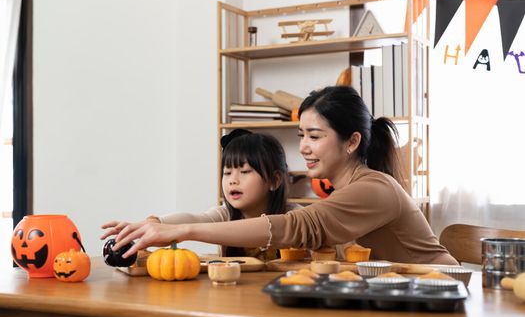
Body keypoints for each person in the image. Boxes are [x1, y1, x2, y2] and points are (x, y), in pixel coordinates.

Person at [109, 86, 458, 265]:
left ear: (352, 141)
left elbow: (298, 228)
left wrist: (182, 231)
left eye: (315, 136)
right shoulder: (342, 191)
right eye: (301, 136)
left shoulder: (374, 188)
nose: (304, 147)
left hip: (444, 296)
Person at [101, 129, 300, 261]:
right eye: (227, 173)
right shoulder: (226, 216)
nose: (232, 180)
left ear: (274, 180)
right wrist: (155, 222)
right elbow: (195, 219)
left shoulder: (295, 218)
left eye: (245, 172)